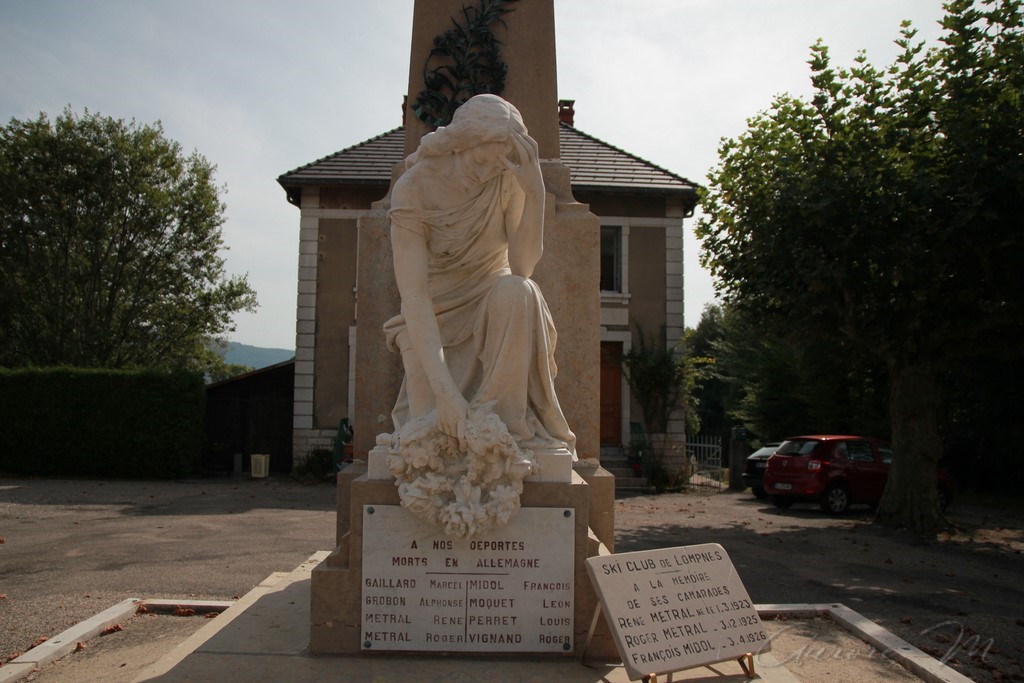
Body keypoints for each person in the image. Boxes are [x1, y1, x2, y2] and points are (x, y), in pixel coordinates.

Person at [384, 94, 576, 461]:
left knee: (518, 290)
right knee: (429, 430)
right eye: (480, 158)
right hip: (433, 316)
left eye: (497, 162)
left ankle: (498, 429)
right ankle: (464, 418)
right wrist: (446, 395)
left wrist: (534, 192)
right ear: (459, 144)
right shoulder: (414, 188)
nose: (487, 170)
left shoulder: (506, 178)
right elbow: (414, 296)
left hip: (492, 307)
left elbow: (522, 267)